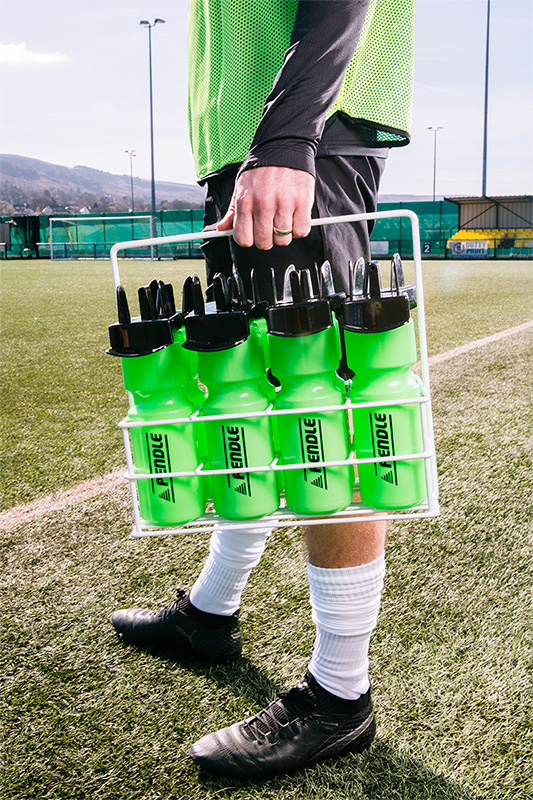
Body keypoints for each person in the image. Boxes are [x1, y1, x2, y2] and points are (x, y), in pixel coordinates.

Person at [111, 0, 415, 780]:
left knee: (322, 397)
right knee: (248, 389)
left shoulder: (294, 137)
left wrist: (286, 137)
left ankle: (339, 694)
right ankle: (211, 612)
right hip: (256, 143)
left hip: (302, 135)